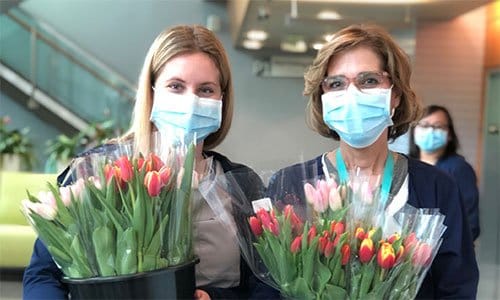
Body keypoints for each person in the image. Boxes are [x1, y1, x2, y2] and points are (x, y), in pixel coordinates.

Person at [23, 24, 276, 300]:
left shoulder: (242, 184)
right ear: (152, 91)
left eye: (205, 90)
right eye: (176, 86)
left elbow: (267, 285)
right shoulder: (95, 172)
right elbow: (44, 275)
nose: (190, 101)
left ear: (222, 99)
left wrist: (216, 298)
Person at [267, 24, 479, 299]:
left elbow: (457, 288)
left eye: (369, 81)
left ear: (396, 94)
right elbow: (266, 289)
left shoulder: (438, 187)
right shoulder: (291, 185)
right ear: (323, 98)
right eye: (337, 83)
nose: (352, 94)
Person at [410, 105, 480, 241]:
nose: (430, 130)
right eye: (424, 125)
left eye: (438, 126)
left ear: (449, 135)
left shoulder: (458, 169)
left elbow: (469, 221)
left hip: (444, 251)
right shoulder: (405, 164)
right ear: (414, 131)